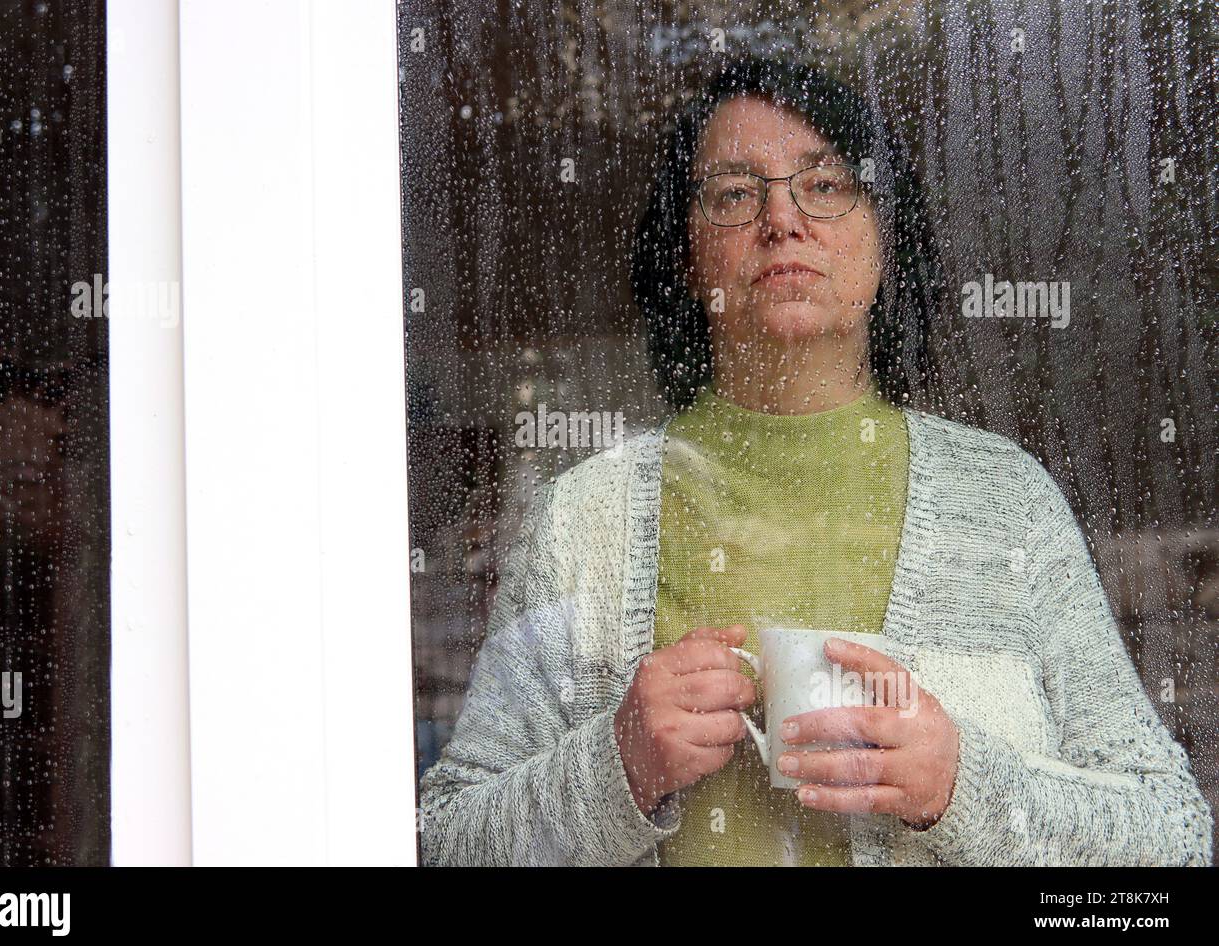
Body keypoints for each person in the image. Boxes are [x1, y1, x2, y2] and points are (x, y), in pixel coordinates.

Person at [417, 55, 1212, 866]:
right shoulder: (586, 518)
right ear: (687, 257)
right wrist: (614, 767)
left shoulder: (1007, 502)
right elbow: (444, 843)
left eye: (826, 187)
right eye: (733, 194)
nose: (782, 220)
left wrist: (960, 784)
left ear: (882, 239)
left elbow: (1174, 836)